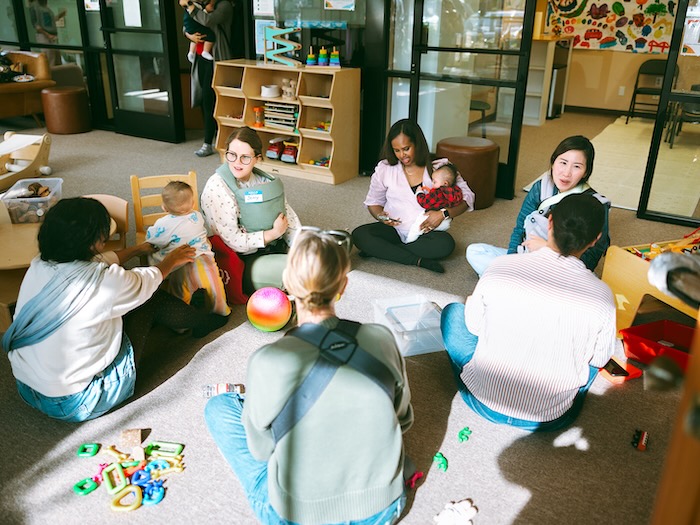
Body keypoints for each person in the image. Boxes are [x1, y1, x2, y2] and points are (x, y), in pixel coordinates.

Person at [204, 228, 413, 525]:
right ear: (343, 286)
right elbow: (402, 420)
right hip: (381, 511)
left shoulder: (267, 361)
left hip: (298, 517)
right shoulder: (381, 337)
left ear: (287, 284)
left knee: (219, 406)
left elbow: (262, 450)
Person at [2, 198, 229, 423]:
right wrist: (170, 261)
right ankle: (203, 322)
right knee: (149, 300)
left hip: (28, 386)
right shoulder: (104, 282)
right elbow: (147, 281)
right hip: (80, 401)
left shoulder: (40, 263)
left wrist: (137, 249)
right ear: (95, 243)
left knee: (121, 300)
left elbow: (98, 263)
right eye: (103, 237)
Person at [441, 193, 616, 431]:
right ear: (596, 239)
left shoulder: (502, 265)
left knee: (453, 312)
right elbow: (598, 359)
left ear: (550, 221)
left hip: (482, 400)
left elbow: (473, 326)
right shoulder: (602, 296)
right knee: (591, 360)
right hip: (549, 418)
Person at [466, 135, 610, 276]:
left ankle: (507, 279)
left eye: (577, 167)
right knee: (475, 251)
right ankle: (516, 278)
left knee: (588, 282)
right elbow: (520, 228)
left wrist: (547, 249)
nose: (566, 173)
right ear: (553, 162)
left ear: (586, 172)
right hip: (527, 256)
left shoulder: (595, 204)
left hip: (563, 270)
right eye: (563, 163)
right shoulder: (541, 188)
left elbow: (590, 259)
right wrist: (511, 260)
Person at [352, 119, 475, 274]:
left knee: (446, 245)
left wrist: (444, 213)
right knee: (359, 235)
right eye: (397, 150)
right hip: (395, 229)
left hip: (426, 232)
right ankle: (417, 260)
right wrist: (381, 217)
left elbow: (468, 197)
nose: (402, 155)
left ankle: (385, 250)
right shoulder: (385, 169)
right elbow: (373, 202)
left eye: (406, 148)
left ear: (417, 143)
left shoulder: (440, 168)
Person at [201, 126, 301, 293]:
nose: (237, 162)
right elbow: (232, 242)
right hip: (242, 261)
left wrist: (300, 245)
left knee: (322, 250)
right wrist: (272, 234)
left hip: (275, 246)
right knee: (300, 270)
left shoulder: (263, 181)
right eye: (232, 155)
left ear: (257, 158)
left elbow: (288, 216)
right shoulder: (217, 187)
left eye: (245, 157)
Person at [146, 180, 230, 316]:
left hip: (180, 264)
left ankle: (180, 324)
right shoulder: (197, 216)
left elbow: (153, 241)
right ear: (192, 204)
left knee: (180, 291)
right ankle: (221, 310)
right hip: (204, 258)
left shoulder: (163, 224)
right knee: (215, 285)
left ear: (164, 208)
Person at [179, 0, 244, 157]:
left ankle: (209, 142)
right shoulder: (200, 5)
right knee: (203, 98)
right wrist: (190, 35)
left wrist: (190, 5)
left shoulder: (224, 6)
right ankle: (210, 136)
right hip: (201, 57)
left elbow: (207, 20)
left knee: (213, 99)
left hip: (217, 58)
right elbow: (187, 25)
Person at [405, 158, 464, 243]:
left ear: (445, 183)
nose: (432, 184)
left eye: (434, 182)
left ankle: (408, 242)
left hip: (432, 216)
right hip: (446, 220)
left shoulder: (437, 192)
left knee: (416, 227)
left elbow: (424, 203)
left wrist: (419, 192)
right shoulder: (456, 191)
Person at [30, 0, 66, 66]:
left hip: (52, 36)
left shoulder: (46, 7)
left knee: (57, 59)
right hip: (44, 36)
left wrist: (60, 16)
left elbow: (49, 21)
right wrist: (48, 35)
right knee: (50, 60)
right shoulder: (35, 6)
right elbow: (36, 25)